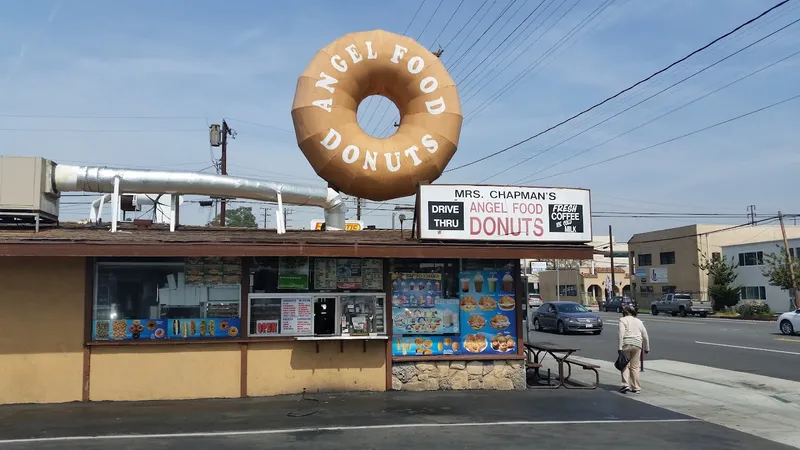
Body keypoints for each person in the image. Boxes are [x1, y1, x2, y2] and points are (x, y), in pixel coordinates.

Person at [618, 305, 649, 393]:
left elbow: (621, 334)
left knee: (624, 364)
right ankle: (636, 387)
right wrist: (647, 348)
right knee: (635, 367)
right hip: (637, 344)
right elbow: (645, 335)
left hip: (626, 344)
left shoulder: (622, 320)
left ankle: (625, 385)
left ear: (625, 312)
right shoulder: (638, 321)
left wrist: (620, 347)